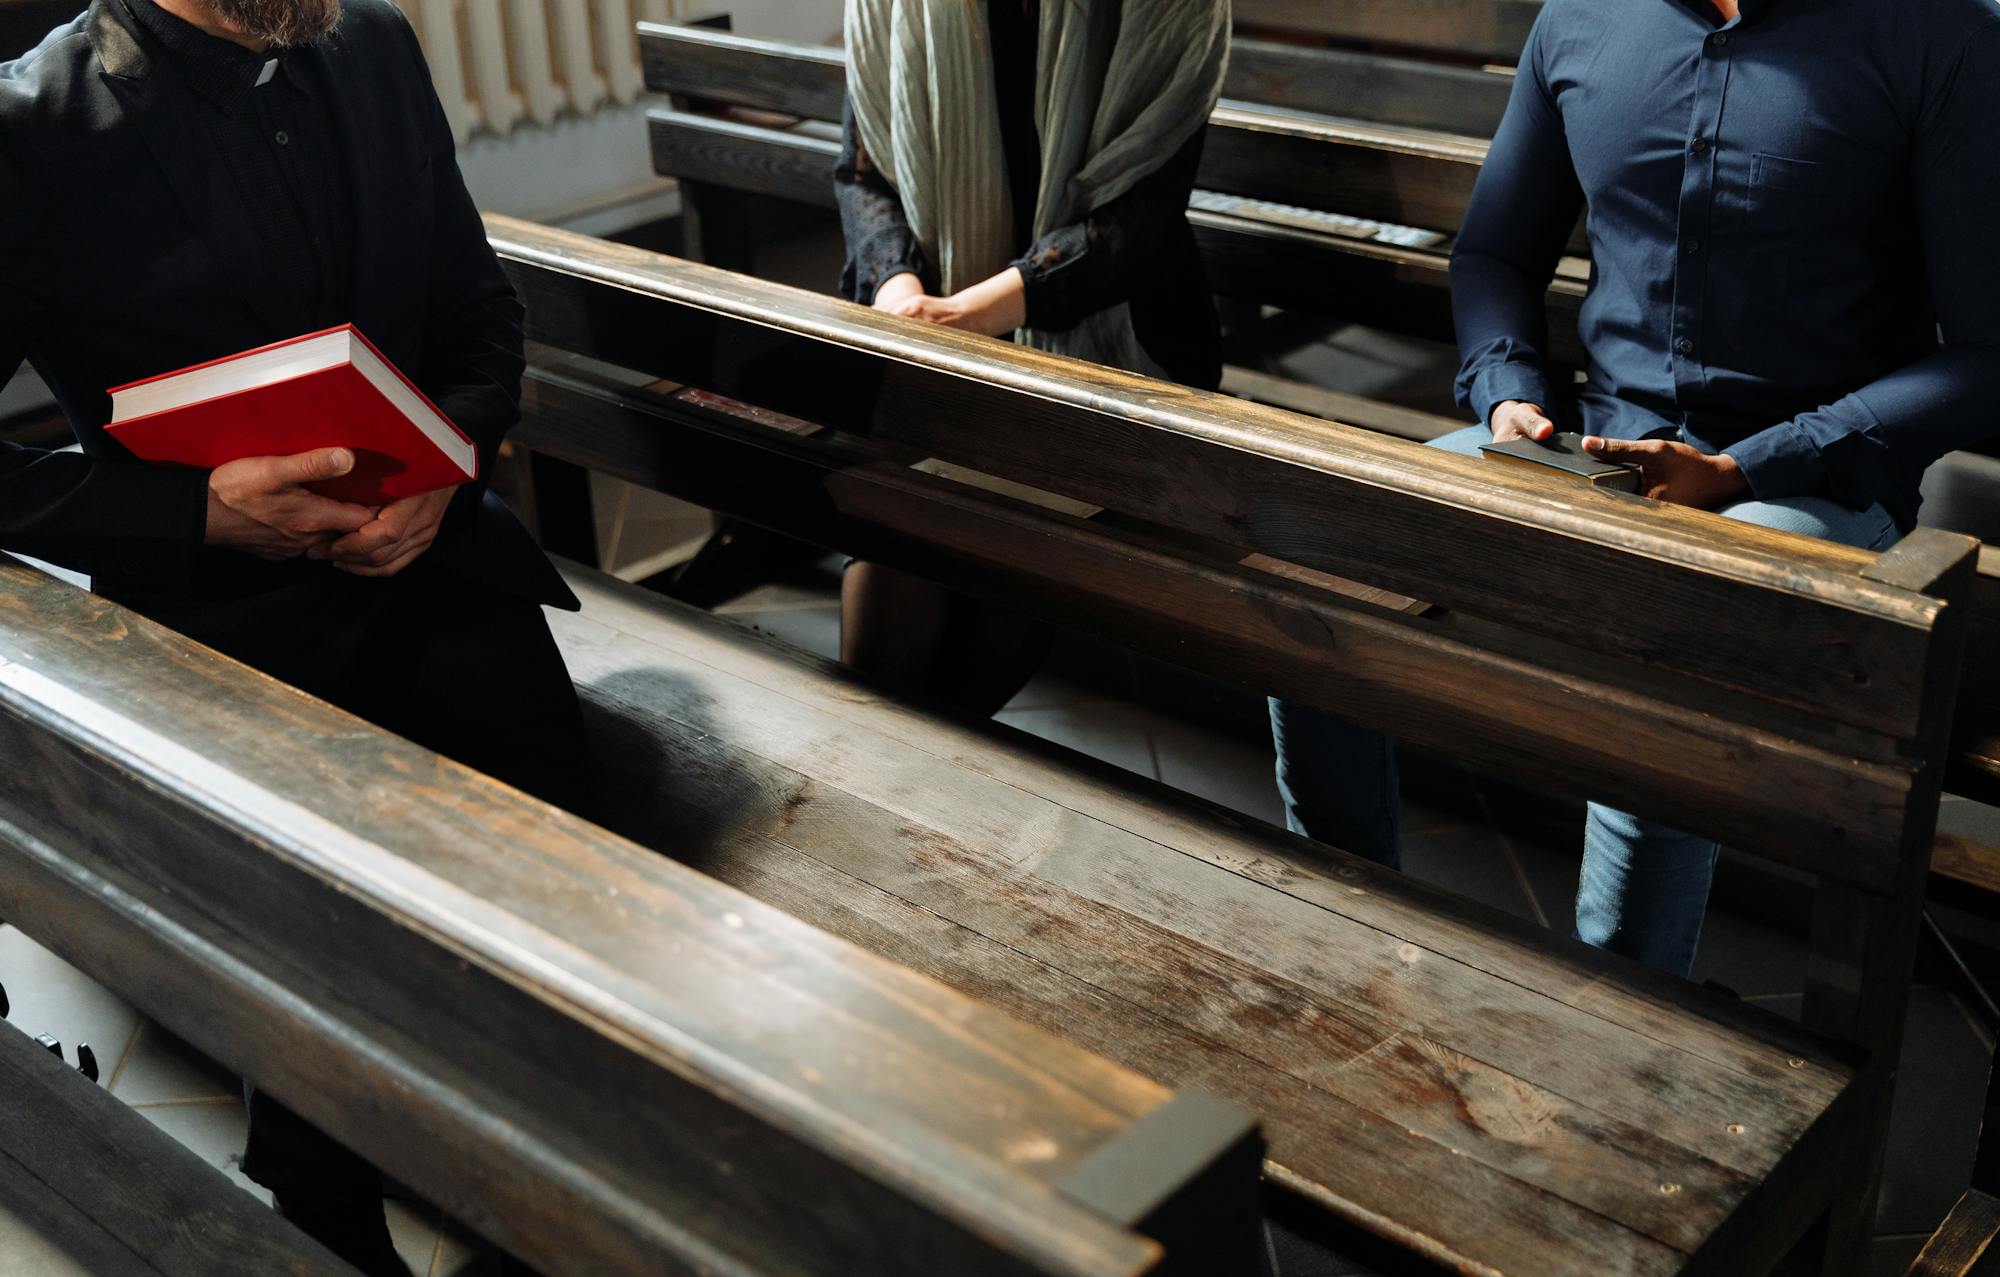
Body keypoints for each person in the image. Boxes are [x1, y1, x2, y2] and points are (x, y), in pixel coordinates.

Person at [0, 0, 604, 1277]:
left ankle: (572, 1262)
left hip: (435, 574)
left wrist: (449, 466)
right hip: (221, 629)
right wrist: (195, 513)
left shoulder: (372, 44)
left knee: (567, 932)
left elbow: (480, 313)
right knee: (310, 932)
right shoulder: (15, 130)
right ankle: (321, 1212)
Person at [1274, 0, 2000, 975]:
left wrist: (1746, 465)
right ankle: (1338, 937)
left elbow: (1985, 356)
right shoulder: (1580, 19)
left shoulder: (1935, 35)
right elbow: (1493, 251)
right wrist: (1506, 395)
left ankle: (1624, 1011)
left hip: (1815, 481)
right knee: (1323, 550)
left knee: (1668, 619)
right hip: (1588, 448)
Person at [834, 0, 1230, 713]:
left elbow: (1143, 218)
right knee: (896, 555)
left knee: (1000, 548)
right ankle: (890, 781)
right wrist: (899, 289)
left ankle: (917, 782)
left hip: (1110, 345)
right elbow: (865, 173)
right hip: (937, 339)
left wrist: (969, 314)